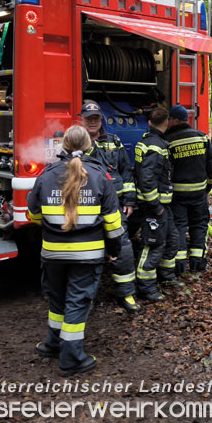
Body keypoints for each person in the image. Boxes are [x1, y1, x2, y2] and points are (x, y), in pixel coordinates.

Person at [26, 125, 124, 376]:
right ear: (89, 146)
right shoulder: (100, 176)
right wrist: (113, 250)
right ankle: (71, 358)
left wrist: (53, 227)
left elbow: (33, 214)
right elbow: (113, 223)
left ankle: (52, 344)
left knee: (57, 300)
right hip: (87, 255)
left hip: (52, 254)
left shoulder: (46, 175)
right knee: (77, 303)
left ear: (64, 145)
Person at [80, 101, 140, 314]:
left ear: (100, 119)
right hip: (88, 208)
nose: (92, 122)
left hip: (114, 207)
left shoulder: (114, 141)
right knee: (89, 254)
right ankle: (86, 298)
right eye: (88, 118)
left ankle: (126, 294)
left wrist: (130, 200)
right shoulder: (77, 144)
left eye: (96, 118)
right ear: (81, 119)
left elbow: (126, 171)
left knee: (123, 249)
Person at [134, 106, 182, 300]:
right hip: (154, 207)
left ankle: (166, 276)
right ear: (167, 122)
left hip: (162, 206)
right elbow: (147, 180)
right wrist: (156, 206)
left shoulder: (149, 141)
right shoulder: (156, 146)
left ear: (149, 122)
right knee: (153, 245)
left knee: (172, 239)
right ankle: (146, 286)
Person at [164, 105, 212, 274]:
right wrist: (208, 186)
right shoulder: (201, 137)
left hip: (178, 195)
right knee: (199, 225)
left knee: (179, 226)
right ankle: (197, 263)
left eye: (169, 119)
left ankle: (179, 265)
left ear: (174, 120)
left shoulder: (168, 141)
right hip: (199, 193)